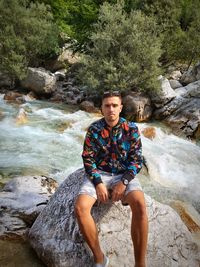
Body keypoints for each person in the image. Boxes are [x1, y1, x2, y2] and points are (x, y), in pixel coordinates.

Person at [75, 91, 148, 267]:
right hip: (100, 173)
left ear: (121, 108)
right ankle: (100, 258)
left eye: (114, 105)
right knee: (80, 207)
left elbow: (137, 160)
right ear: (101, 108)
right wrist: (98, 183)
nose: (111, 109)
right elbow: (88, 158)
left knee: (139, 204)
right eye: (107, 105)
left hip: (124, 175)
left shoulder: (131, 129)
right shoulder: (94, 130)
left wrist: (123, 183)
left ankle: (140, 263)